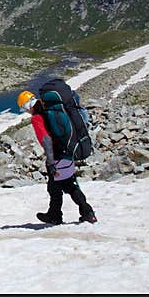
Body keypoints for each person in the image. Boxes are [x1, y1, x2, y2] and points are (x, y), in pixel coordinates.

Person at [18, 90, 97, 225]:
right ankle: (84, 213)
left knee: (59, 187)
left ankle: (60, 215)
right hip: (68, 149)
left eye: (25, 109)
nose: (27, 112)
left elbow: (46, 140)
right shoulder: (50, 109)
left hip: (57, 155)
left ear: (28, 106)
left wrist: (50, 162)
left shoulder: (37, 117)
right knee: (66, 184)